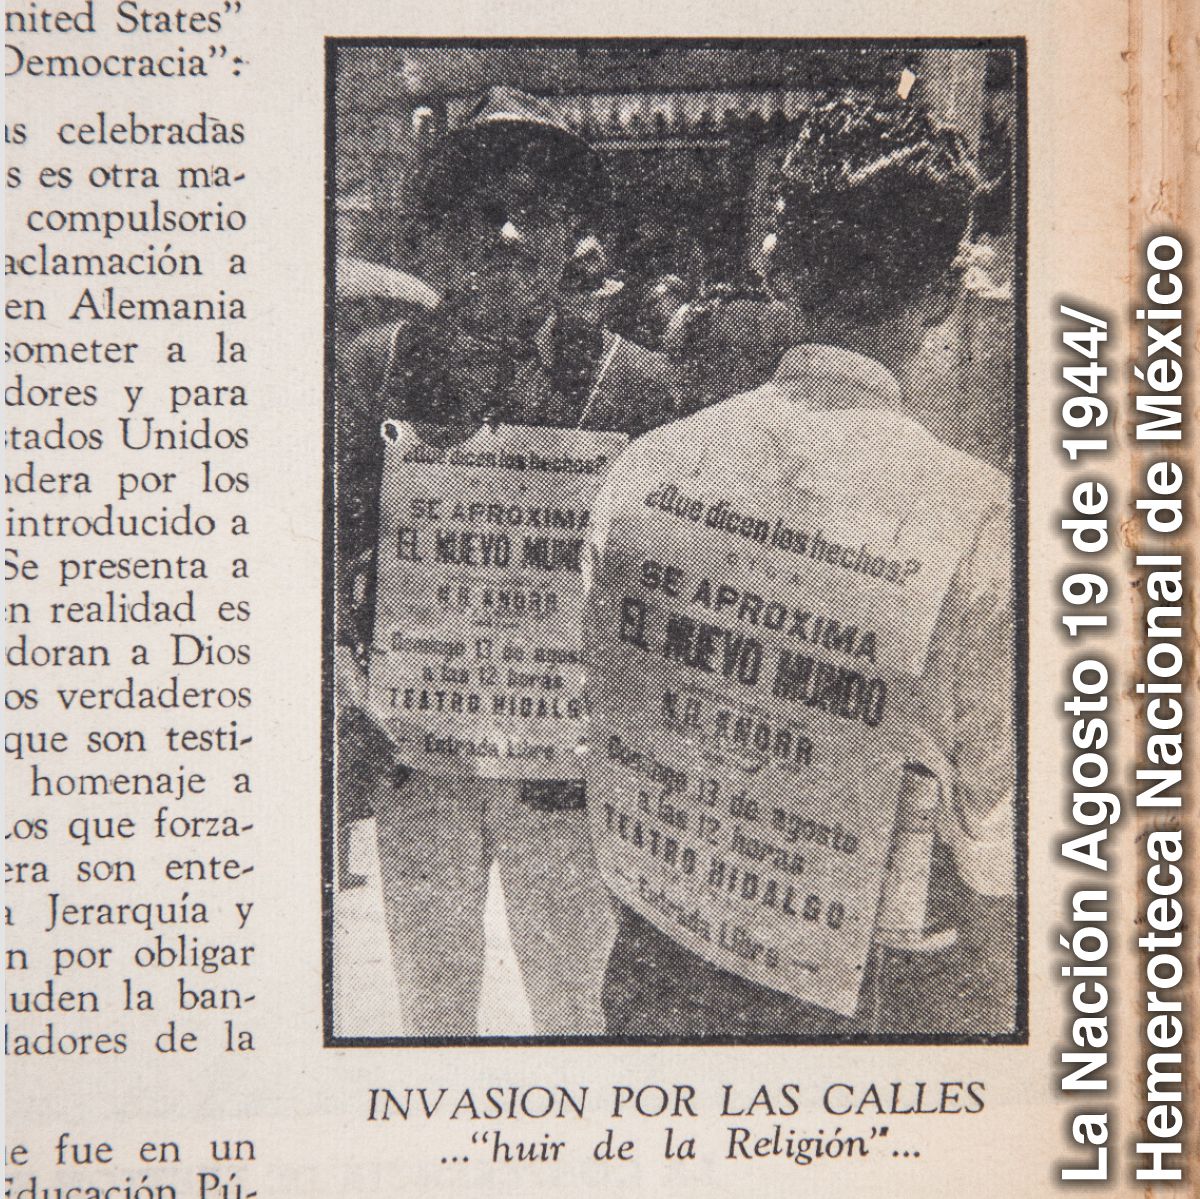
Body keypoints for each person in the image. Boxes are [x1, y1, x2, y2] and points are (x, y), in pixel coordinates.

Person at [587, 94, 1017, 1039]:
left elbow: (614, 706)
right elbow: (998, 835)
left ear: (776, 264)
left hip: (660, 962)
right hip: (864, 998)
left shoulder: (644, 469)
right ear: (944, 295)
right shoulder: (978, 513)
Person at [335, 86, 677, 1036]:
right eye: (485, 211)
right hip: (423, 762)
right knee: (431, 1014)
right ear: (442, 235)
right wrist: (350, 646)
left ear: (573, 229)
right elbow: (325, 545)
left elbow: (659, 589)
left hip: (567, 776)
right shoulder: (375, 367)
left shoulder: (638, 384)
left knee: (578, 1014)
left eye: (538, 210)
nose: (513, 233)